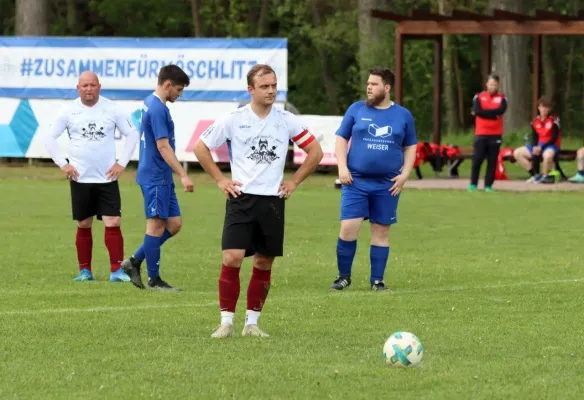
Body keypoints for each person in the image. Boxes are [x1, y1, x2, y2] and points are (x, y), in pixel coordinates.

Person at [194, 64, 323, 338]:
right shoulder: (234, 119)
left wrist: (294, 181)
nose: (271, 91)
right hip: (241, 198)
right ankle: (226, 322)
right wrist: (220, 180)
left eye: (274, 85)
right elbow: (200, 147)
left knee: (263, 262)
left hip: (273, 201)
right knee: (232, 257)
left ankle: (251, 323)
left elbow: (315, 151)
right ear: (250, 89)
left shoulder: (286, 120)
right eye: (265, 86)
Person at [43, 71, 140, 282]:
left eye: (92, 85)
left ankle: (117, 271)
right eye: (84, 85)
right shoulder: (68, 111)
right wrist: (63, 164)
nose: (89, 89)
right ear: (78, 88)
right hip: (80, 178)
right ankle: (85, 271)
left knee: (113, 221)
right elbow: (49, 136)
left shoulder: (112, 109)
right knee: (84, 223)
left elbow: (133, 133)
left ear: (99, 86)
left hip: (107, 178)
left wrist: (122, 162)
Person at [328, 67, 418, 292]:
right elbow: (341, 138)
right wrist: (342, 167)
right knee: (349, 227)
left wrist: (405, 174)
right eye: (368, 83)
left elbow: (411, 146)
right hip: (355, 180)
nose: (369, 87)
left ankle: (377, 281)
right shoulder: (356, 109)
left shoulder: (403, 115)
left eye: (374, 84)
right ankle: (343, 277)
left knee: (381, 231)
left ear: (386, 88)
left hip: (387, 184)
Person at [121, 65, 194, 291]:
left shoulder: (151, 102)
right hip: (155, 176)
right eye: (179, 90)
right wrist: (183, 174)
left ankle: (133, 261)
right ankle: (154, 280)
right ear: (167, 85)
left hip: (159, 175)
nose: (180, 95)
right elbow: (163, 147)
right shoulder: (158, 109)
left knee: (174, 224)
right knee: (155, 226)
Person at [469, 74, 507, 192]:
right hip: (481, 133)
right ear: (487, 84)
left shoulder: (502, 98)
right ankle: (473, 184)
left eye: (494, 84)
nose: (492, 86)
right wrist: (492, 114)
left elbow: (501, 111)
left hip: (495, 134)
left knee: (492, 160)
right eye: (490, 84)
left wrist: (485, 113)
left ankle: (488, 185)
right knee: (477, 159)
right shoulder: (478, 97)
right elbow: (478, 111)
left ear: (497, 85)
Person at [513, 96, 561, 184]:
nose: (544, 109)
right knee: (517, 153)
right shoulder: (535, 121)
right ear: (539, 107)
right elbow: (534, 137)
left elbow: (554, 137)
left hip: (551, 146)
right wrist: (535, 146)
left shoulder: (554, 120)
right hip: (538, 146)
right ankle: (534, 175)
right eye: (542, 107)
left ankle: (545, 176)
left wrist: (541, 147)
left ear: (549, 109)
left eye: (547, 107)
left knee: (547, 156)